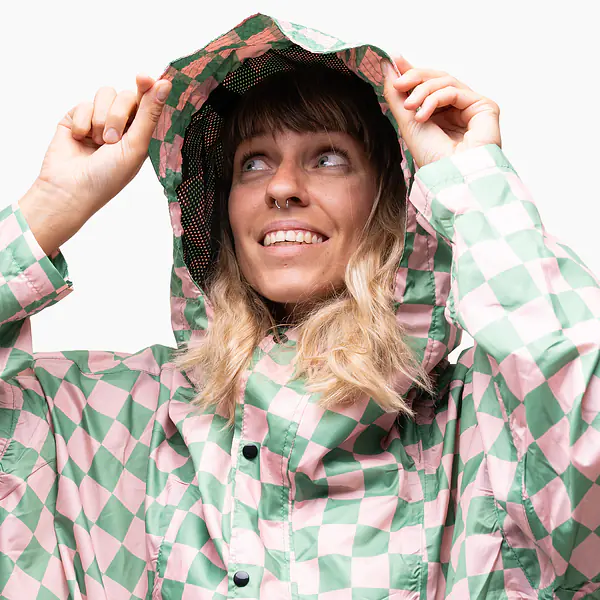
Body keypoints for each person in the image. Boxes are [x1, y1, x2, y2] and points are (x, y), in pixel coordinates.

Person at [0, 12, 598, 599]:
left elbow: (585, 426)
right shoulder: (122, 420)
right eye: (253, 163)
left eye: (328, 157)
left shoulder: (483, 431)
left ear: (394, 199)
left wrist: (474, 181)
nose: (282, 186)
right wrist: (50, 206)